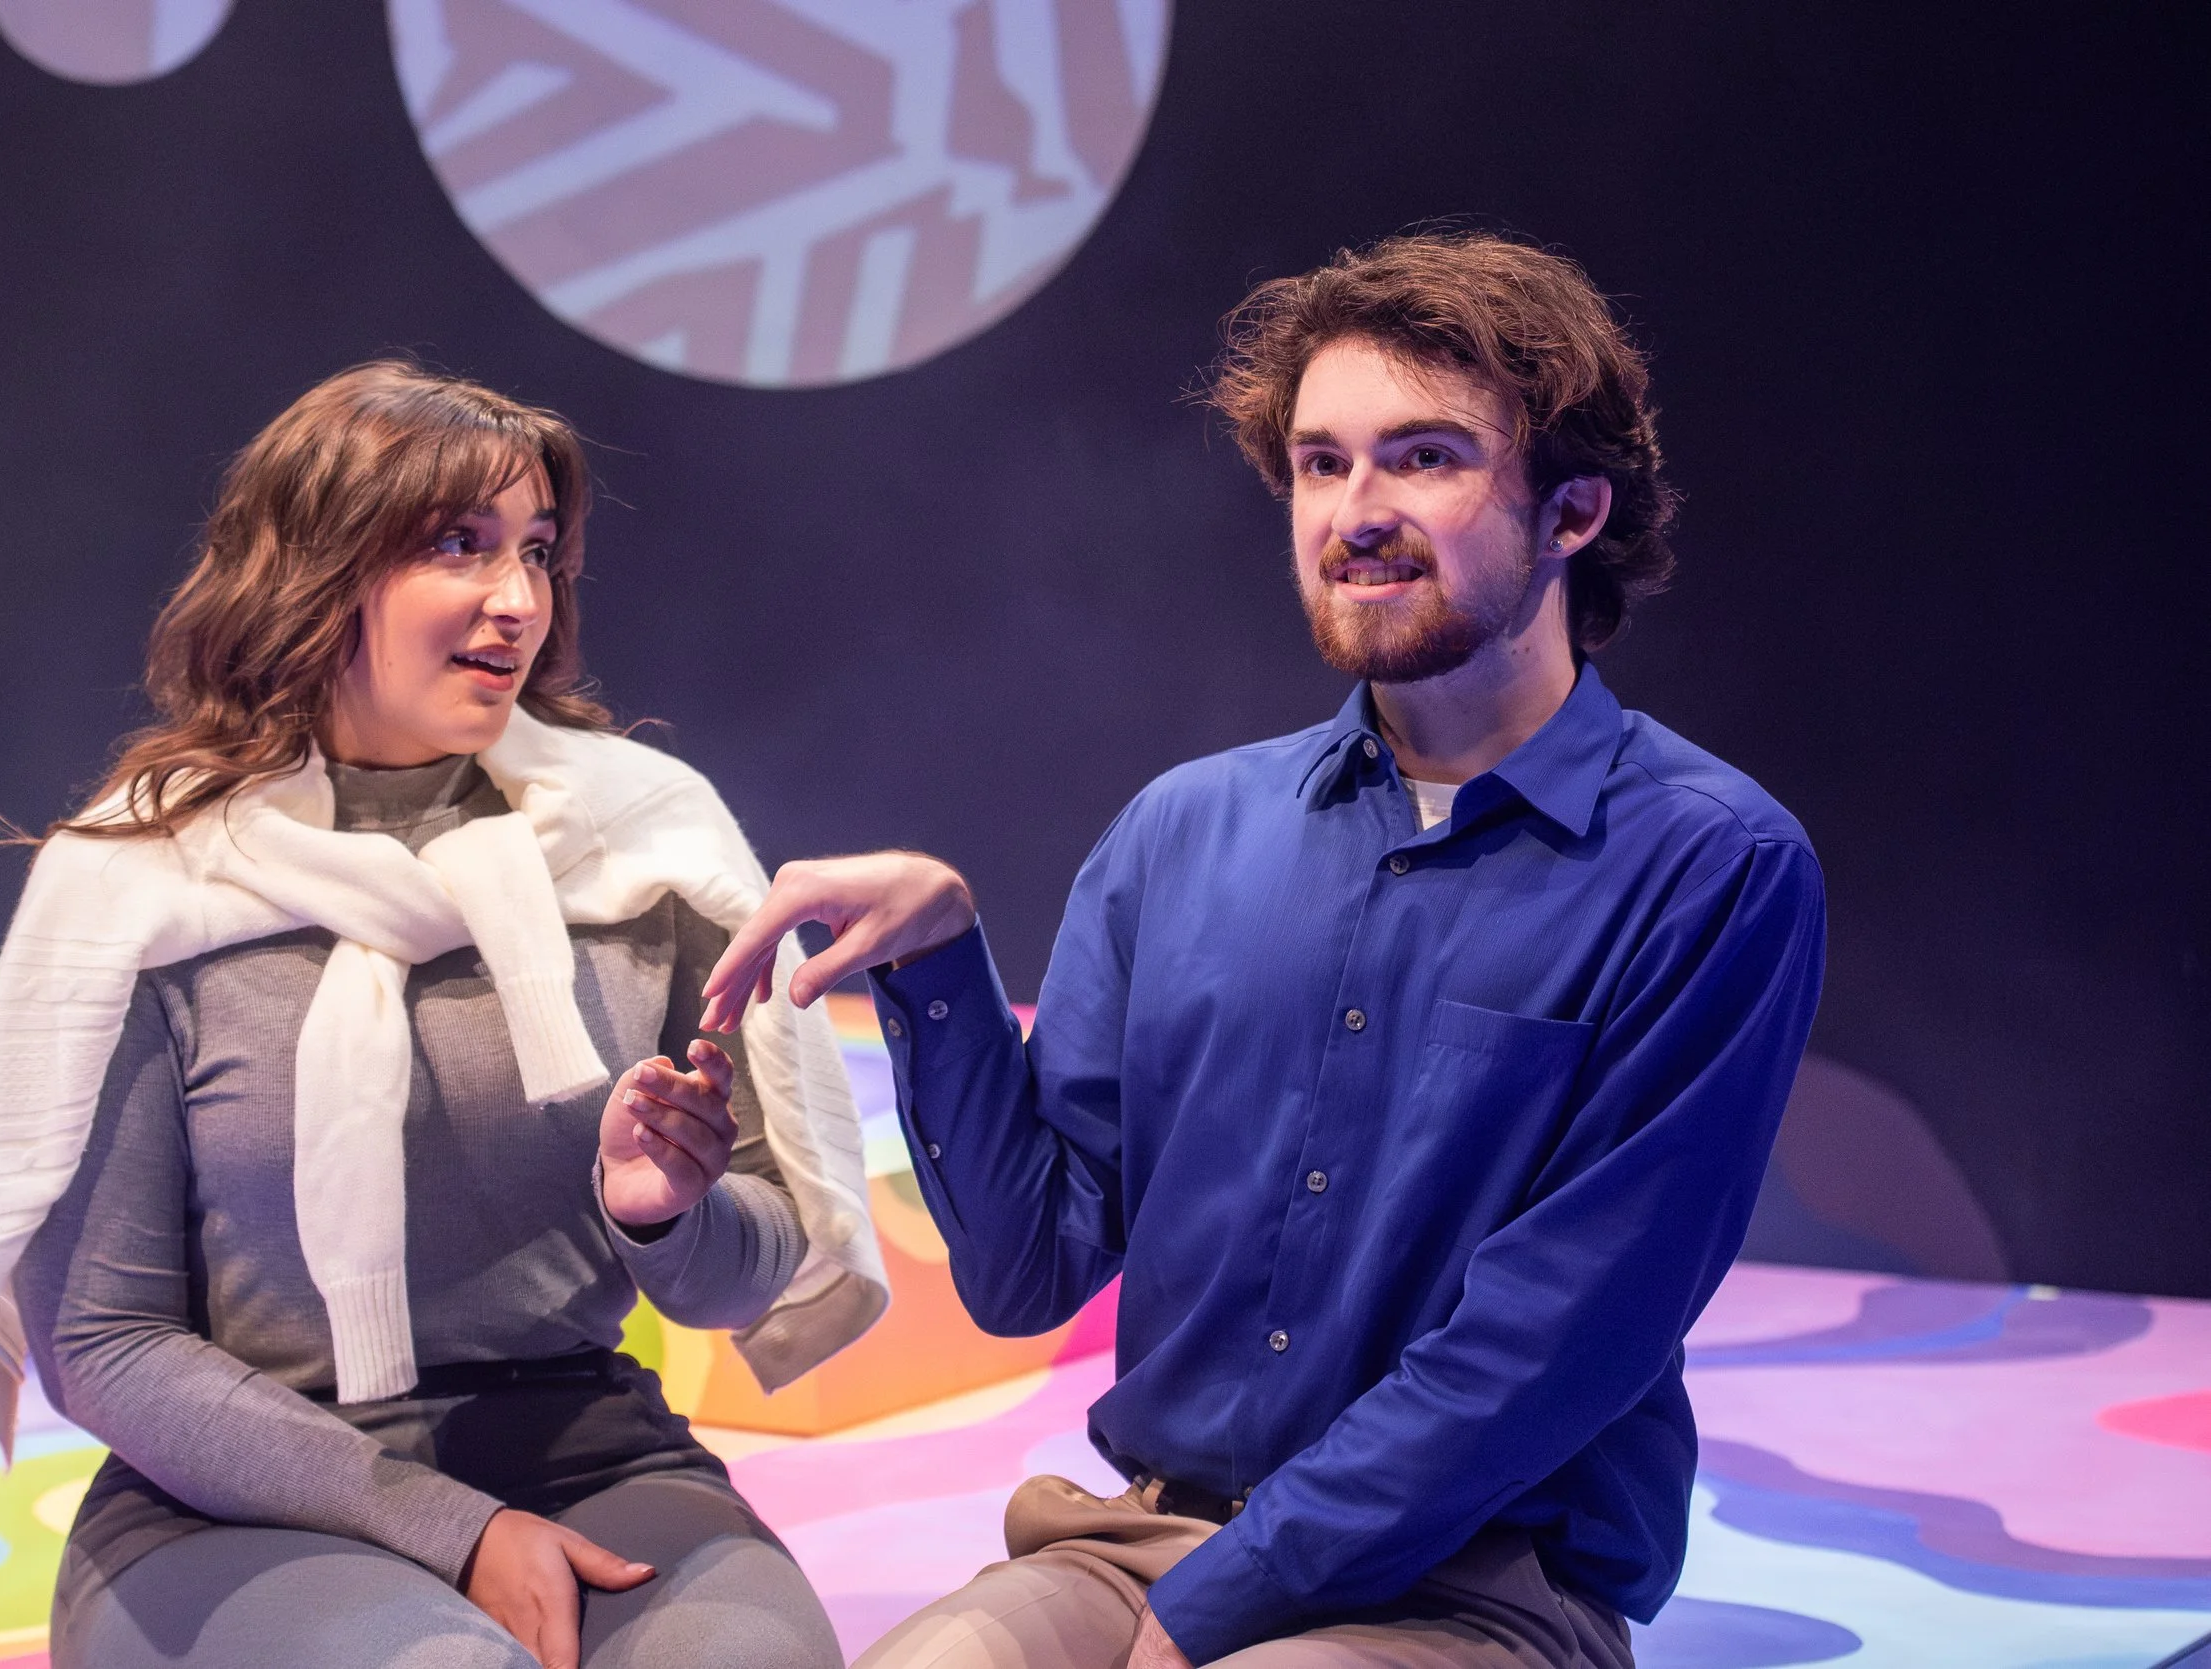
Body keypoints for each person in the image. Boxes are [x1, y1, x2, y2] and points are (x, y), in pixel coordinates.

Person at [699, 232, 1828, 1668]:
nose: (1355, 510)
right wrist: (938, 969)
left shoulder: (1711, 866)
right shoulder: (1186, 829)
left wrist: (1216, 1613)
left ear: (1573, 511)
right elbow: (1029, 1270)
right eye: (1320, 462)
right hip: (1142, 1542)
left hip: (1472, 1580)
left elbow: (1553, 1343)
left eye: (1425, 458)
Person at [0, 362, 883, 1669]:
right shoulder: (142, 884)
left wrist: (668, 1215)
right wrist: (455, 1530)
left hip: (589, 1448)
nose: (516, 600)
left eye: (537, 551)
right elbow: (104, 1345)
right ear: (316, 573)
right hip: (228, 1503)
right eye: (457, 547)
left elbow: (753, 1262)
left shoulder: (645, 842)